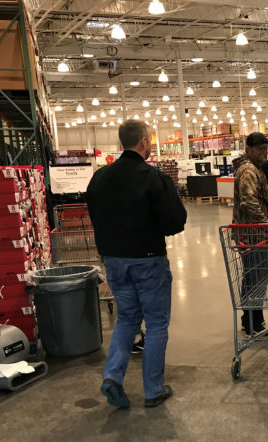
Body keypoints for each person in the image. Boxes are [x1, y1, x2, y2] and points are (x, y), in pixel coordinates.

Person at [86, 119, 187, 409]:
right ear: (143, 141)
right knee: (155, 325)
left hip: (114, 262)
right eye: (150, 139)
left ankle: (112, 378)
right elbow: (175, 222)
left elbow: (94, 215)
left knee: (127, 319)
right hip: (148, 260)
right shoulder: (153, 178)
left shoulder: (100, 177)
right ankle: (153, 390)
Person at [233, 132, 268, 335]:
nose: (265, 152)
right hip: (252, 235)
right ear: (249, 150)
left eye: (266, 148)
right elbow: (248, 202)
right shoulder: (248, 171)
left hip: (254, 233)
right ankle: (253, 322)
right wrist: (266, 224)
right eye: (260, 149)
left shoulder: (255, 169)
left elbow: (258, 199)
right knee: (257, 277)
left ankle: (253, 320)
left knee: (255, 276)